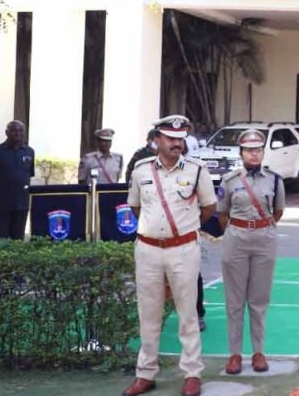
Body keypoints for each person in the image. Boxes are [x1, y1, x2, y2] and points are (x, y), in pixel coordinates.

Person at [122, 115, 216, 396]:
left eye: (180, 138)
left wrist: (182, 227)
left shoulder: (197, 170)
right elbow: (136, 207)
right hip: (148, 249)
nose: (177, 143)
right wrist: (156, 230)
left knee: (187, 313)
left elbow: (208, 208)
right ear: (157, 140)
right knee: (148, 314)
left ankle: (192, 373)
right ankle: (146, 373)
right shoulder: (141, 170)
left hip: (183, 249)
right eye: (170, 138)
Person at [218, 129, 285, 375]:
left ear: (263, 152)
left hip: (264, 238)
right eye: (249, 149)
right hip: (236, 237)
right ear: (241, 153)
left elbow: (278, 211)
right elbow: (222, 214)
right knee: (234, 301)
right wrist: (240, 229)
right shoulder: (229, 180)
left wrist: (259, 227)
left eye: (258, 149)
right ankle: (234, 354)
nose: (254, 154)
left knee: (259, 299)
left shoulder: (275, 180)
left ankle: (258, 352)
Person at [0, 120, 34, 240]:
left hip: (21, 205)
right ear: (7, 132)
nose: (18, 134)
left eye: (21, 131)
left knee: (17, 241)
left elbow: (28, 176)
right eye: (14, 131)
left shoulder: (29, 152)